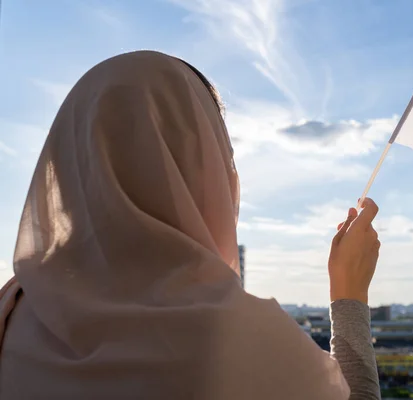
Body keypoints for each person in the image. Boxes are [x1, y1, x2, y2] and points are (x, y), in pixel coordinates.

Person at [0, 51, 381, 399]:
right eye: (220, 155)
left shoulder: (12, 311)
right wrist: (349, 294)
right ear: (206, 173)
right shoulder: (245, 345)